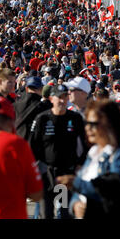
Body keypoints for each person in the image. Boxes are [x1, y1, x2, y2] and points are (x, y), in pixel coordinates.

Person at [57, 100, 120, 218]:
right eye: (86, 123)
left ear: (109, 124)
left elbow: (114, 189)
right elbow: (79, 193)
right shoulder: (93, 153)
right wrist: (75, 206)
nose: (88, 128)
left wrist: (76, 182)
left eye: (93, 124)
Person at [29, 84, 87, 219]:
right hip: (46, 174)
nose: (62, 100)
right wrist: (36, 170)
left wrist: (79, 165)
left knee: (65, 214)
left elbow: (84, 144)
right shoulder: (42, 119)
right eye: (59, 97)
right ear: (51, 99)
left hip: (65, 175)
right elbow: (32, 146)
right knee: (46, 213)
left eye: (65, 97)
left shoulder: (74, 118)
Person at [14, 76, 51, 142]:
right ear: (42, 89)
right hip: (37, 145)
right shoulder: (45, 107)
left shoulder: (15, 105)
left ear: (26, 88)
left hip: (19, 144)